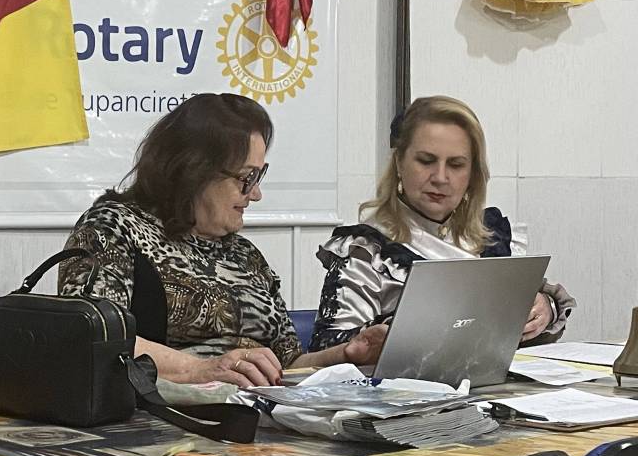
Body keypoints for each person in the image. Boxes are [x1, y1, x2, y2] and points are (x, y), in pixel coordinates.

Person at [58, 93, 386, 388]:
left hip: (249, 416)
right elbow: (96, 336)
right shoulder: (113, 228)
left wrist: (345, 355)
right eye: (246, 178)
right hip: (156, 417)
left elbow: (286, 364)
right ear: (194, 171)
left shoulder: (245, 254)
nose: (255, 194)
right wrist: (201, 370)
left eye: (258, 176)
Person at [310, 95, 575, 352]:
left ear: (472, 174)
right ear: (399, 162)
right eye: (426, 161)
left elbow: (532, 311)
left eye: (456, 165)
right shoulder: (367, 250)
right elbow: (329, 350)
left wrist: (544, 309)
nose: (440, 177)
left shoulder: (493, 236)